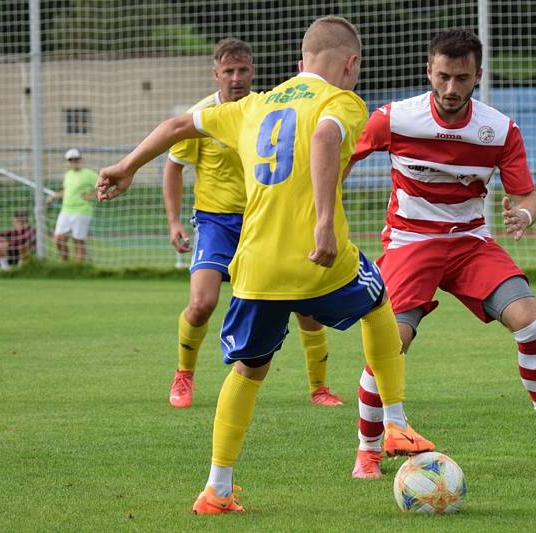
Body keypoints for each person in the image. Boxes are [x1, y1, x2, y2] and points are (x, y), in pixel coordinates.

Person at [96, 15, 431, 515]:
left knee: (250, 370)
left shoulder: (253, 105)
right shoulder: (343, 100)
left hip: (256, 264)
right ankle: (396, 425)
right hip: (320, 259)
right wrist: (322, 220)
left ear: (301, 63)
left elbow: (176, 126)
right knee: (379, 299)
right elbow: (324, 139)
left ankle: (217, 490)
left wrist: (126, 166)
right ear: (351, 62)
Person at [346, 28, 536, 479]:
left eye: (461, 78)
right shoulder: (394, 118)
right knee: (390, 343)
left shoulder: (498, 130)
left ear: (477, 76)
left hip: (470, 242)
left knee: (531, 322)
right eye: (442, 77)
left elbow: (529, 197)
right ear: (428, 71)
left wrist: (525, 215)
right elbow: (339, 156)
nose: (450, 89)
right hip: (409, 242)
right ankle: (368, 450)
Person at [164, 38, 344, 409]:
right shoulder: (203, 115)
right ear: (216, 74)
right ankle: (184, 375)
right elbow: (174, 167)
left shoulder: (266, 108)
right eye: (228, 71)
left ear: (253, 72)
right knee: (202, 302)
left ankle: (319, 387)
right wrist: (173, 222)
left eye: (243, 70)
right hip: (216, 221)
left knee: (306, 306)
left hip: (265, 220)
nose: (236, 78)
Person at [46, 148, 98, 262]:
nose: (74, 161)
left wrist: (91, 196)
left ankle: (79, 267)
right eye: (71, 160)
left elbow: (102, 188)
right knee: (59, 238)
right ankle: (66, 264)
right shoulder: (68, 174)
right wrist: (54, 196)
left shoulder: (89, 174)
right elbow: (67, 191)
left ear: (81, 159)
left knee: (78, 240)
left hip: (82, 211)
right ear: (67, 162)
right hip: (66, 210)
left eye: (76, 159)